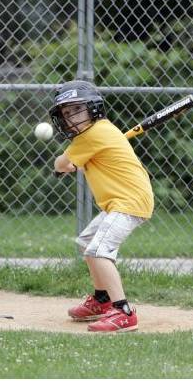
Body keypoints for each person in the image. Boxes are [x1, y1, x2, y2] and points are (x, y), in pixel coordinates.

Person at [50, 80, 154, 332]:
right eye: (66, 113)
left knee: (99, 251)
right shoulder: (99, 132)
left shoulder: (92, 135)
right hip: (119, 202)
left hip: (128, 202)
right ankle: (101, 299)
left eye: (76, 110)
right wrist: (73, 163)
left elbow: (60, 164)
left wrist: (65, 165)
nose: (71, 118)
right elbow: (80, 160)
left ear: (93, 109)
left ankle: (123, 311)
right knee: (88, 244)